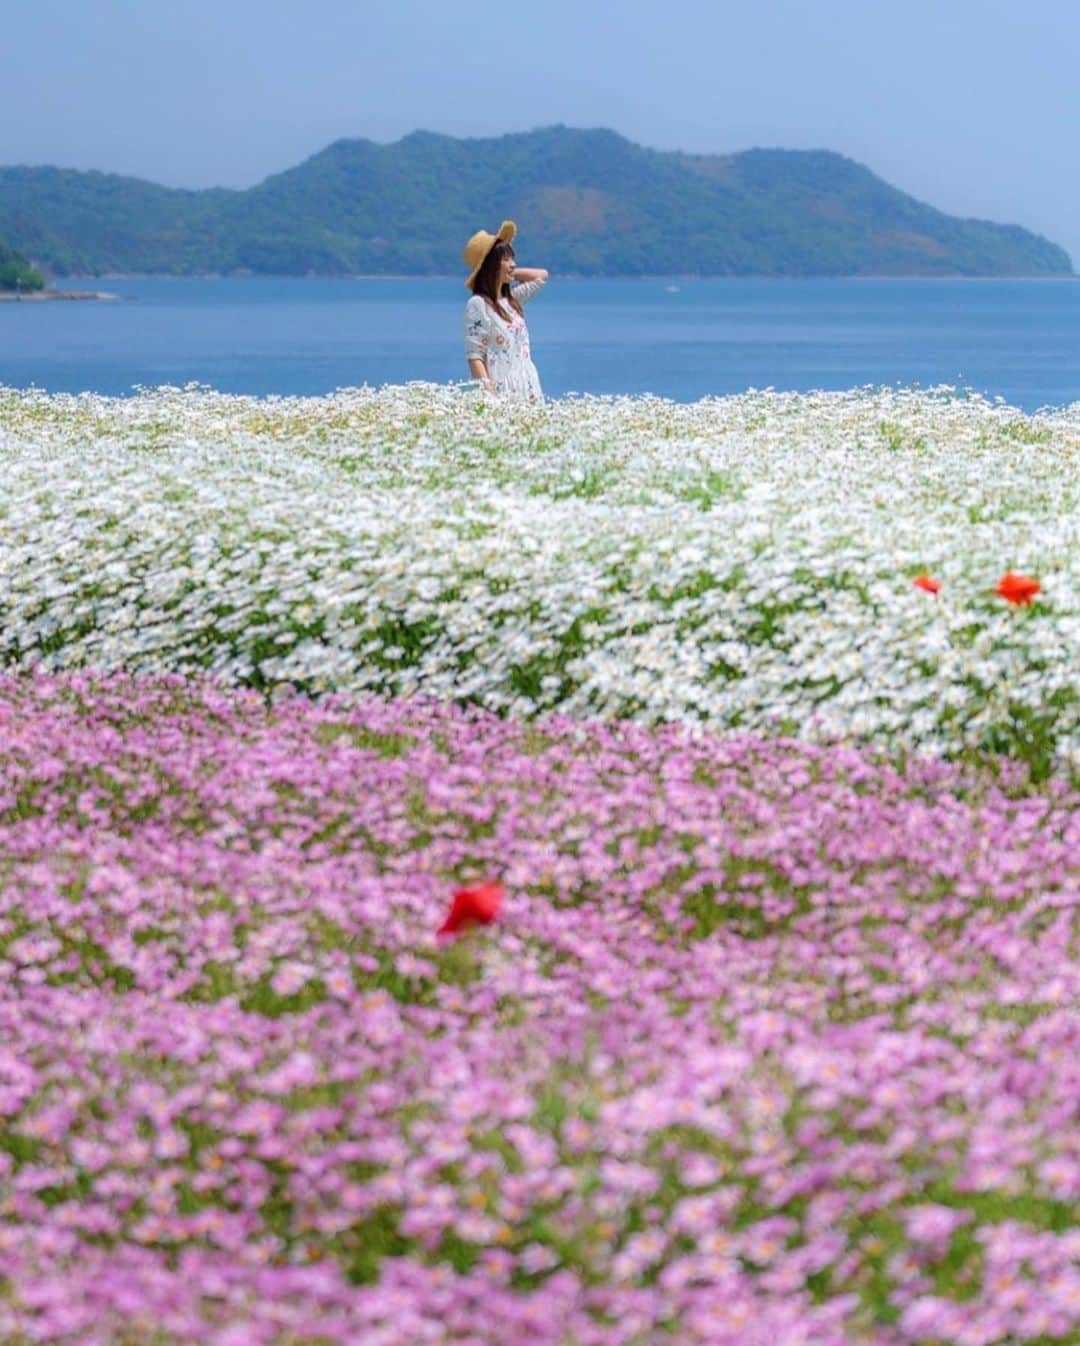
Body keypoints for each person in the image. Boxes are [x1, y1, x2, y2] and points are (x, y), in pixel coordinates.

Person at [462, 220, 548, 400]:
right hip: (503, 391)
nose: (513, 264)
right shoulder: (478, 304)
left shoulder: (511, 300)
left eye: (512, 258)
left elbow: (541, 277)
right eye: (506, 259)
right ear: (491, 265)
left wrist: (509, 272)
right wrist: (490, 398)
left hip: (528, 387)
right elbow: (475, 356)